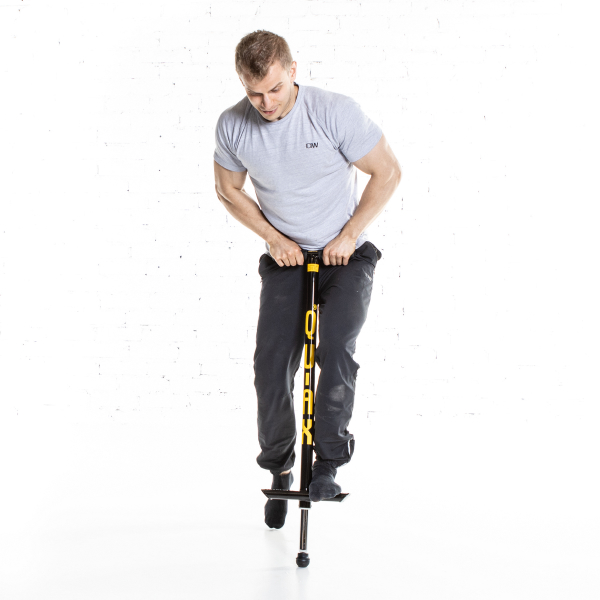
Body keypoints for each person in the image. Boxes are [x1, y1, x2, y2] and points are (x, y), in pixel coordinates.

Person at [213, 30, 401, 529]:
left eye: (275, 89)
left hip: (347, 255)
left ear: (293, 70)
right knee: (271, 364)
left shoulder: (334, 112)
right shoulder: (233, 125)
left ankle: (328, 465)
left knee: (334, 350)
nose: (266, 103)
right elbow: (228, 190)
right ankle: (280, 467)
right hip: (287, 258)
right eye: (255, 93)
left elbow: (387, 172)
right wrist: (273, 238)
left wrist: (350, 233)